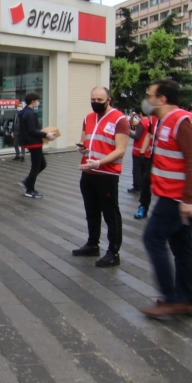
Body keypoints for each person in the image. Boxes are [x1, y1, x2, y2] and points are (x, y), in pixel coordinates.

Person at [139, 79, 192, 318]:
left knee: (153, 238)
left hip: (179, 196)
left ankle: (173, 298)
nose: (146, 100)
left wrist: (189, 200)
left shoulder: (183, 121)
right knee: (182, 247)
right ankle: (186, 300)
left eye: (150, 96)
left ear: (162, 99)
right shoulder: (165, 121)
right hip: (175, 194)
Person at [72, 87, 129, 267]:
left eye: (99, 99)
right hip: (88, 171)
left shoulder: (120, 119)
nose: (95, 102)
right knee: (91, 211)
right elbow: (85, 140)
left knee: (111, 213)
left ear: (108, 100)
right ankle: (92, 244)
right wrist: (82, 148)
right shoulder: (88, 118)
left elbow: (120, 149)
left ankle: (113, 251)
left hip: (107, 173)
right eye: (93, 99)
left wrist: (100, 162)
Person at [17, 93, 56, 198]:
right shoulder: (29, 113)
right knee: (36, 166)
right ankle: (30, 189)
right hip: (34, 142)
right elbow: (32, 130)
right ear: (33, 101)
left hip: (32, 142)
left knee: (42, 164)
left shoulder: (25, 112)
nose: (38, 102)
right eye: (37, 100)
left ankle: (27, 182)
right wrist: (46, 134)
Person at [133, 114, 157, 219]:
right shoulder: (153, 119)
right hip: (153, 156)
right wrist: (142, 152)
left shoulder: (174, 118)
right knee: (146, 181)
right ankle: (143, 206)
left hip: (168, 159)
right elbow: (148, 135)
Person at [128, 107, 149, 193]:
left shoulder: (142, 123)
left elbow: (136, 136)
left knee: (136, 170)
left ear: (140, 113)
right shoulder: (149, 122)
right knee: (144, 170)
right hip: (147, 151)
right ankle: (143, 185)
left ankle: (137, 186)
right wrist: (132, 117)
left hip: (138, 150)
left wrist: (128, 132)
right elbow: (131, 123)